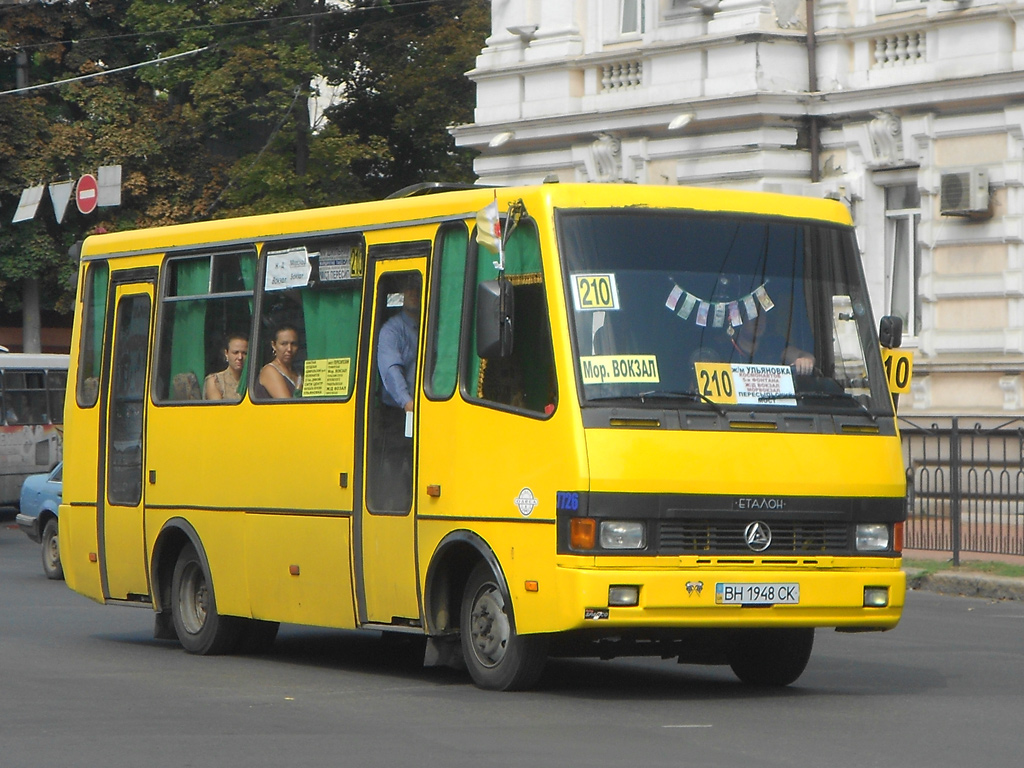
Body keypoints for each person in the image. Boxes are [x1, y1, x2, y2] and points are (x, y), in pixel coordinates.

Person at [372, 275, 421, 510]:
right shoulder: (392, 330)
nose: (413, 292)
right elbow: (391, 369)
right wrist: (407, 402)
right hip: (397, 413)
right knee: (395, 466)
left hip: (424, 410)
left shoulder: (432, 326)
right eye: (408, 288)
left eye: (417, 288)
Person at [727, 314, 815, 375]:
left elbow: (804, 356)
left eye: (762, 316)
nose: (758, 321)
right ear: (739, 320)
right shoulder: (726, 348)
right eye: (752, 315)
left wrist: (805, 361)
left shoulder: (773, 344)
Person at [257, 324, 302, 398]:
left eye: (293, 344)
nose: (289, 349)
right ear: (274, 345)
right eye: (284, 344)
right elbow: (287, 405)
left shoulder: (298, 372)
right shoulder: (270, 371)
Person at [204, 333, 248, 401]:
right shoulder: (215, 381)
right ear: (226, 353)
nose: (240, 357)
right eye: (235, 353)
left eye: (244, 353)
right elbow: (218, 409)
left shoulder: (253, 381)